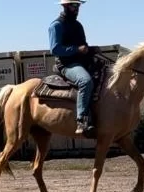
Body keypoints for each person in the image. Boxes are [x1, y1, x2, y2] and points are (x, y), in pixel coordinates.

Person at [48, 0, 95, 135]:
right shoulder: (56, 25)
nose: (77, 8)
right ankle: (81, 119)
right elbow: (55, 49)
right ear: (65, 6)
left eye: (78, 6)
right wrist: (76, 49)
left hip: (82, 61)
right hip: (67, 65)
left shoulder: (78, 25)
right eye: (74, 6)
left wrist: (91, 50)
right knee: (85, 81)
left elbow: (83, 46)